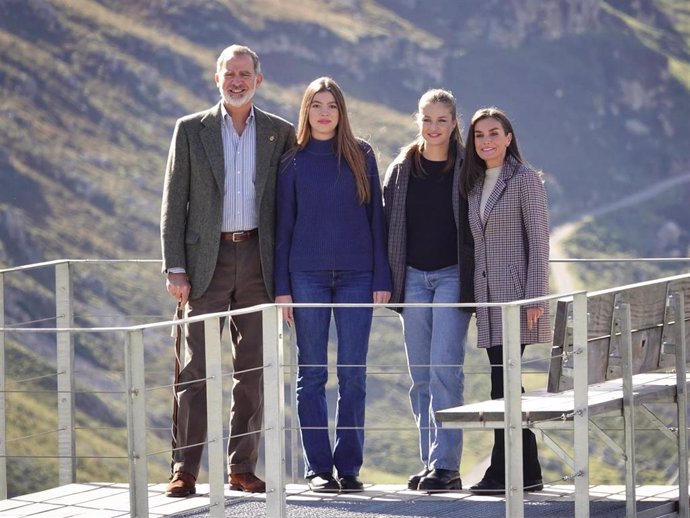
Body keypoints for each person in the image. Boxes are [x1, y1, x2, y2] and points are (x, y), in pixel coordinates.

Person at [160, 44, 296, 497]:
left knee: (253, 369)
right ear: (216, 79)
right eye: (229, 74)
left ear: (259, 80)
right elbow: (173, 202)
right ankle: (185, 470)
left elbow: (290, 205)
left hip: (258, 261)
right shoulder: (190, 130)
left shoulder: (280, 133)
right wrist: (175, 267)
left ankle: (242, 467)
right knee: (194, 368)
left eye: (245, 73)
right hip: (203, 265)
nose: (237, 81)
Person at [274, 77, 392, 493]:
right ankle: (319, 469)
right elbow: (283, 229)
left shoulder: (362, 155)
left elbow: (376, 219)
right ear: (305, 111)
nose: (324, 112)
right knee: (311, 373)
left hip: (358, 277)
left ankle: (350, 467)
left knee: (353, 373)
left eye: (332, 106)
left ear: (342, 112)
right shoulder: (291, 162)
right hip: (305, 277)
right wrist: (281, 288)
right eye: (316, 105)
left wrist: (382, 275)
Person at [383, 89, 474, 492]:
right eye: (426, 119)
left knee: (445, 370)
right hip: (414, 278)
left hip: (454, 276)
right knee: (420, 376)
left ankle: (447, 465)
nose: (433, 127)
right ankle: (430, 462)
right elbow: (385, 228)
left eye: (442, 120)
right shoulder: (401, 168)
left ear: (455, 122)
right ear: (417, 120)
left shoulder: (467, 167)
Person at [459, 107, 551, 495]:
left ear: (509, 137)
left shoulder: (525, 179)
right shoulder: (476, 183)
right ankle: (527, 471)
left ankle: (504, 472)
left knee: (504, 385)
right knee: (505, 384)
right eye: (479, 135)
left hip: (516, 300)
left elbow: (539, 243)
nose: (487, 141)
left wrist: (534, 301)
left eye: (494, 133)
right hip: (488, 299)